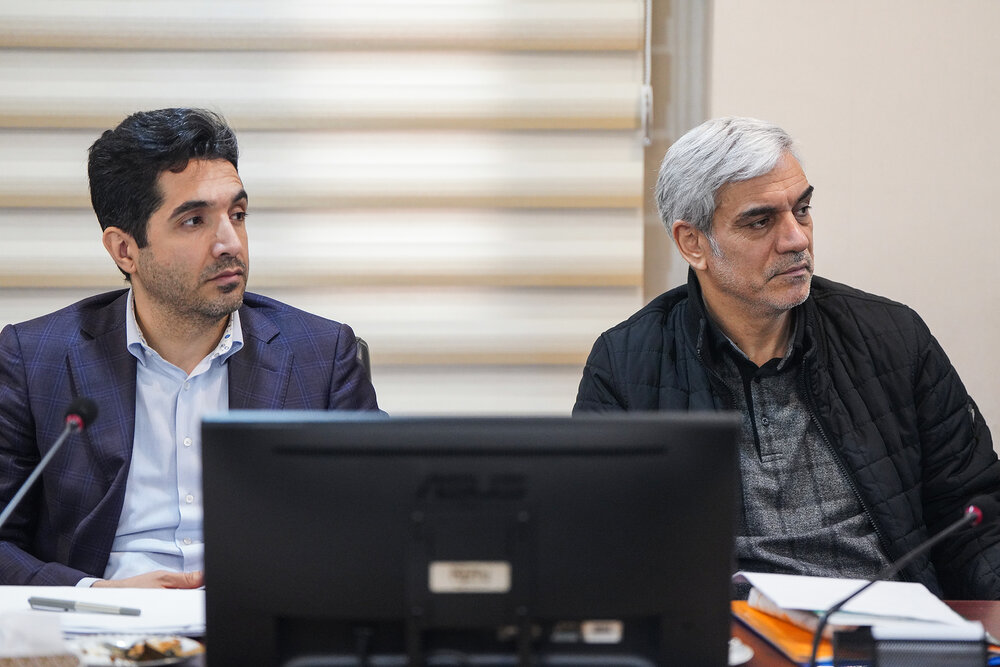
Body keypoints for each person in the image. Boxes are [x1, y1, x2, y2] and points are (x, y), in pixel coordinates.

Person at [574, 116, 1000, 599]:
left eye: (802, 210)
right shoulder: (626, 365)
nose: (797, 239)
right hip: (727, 629)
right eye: (760, 221)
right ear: (693, 243)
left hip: (881, 624)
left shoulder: (894, 339)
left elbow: (975, 519)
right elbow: (600, 546)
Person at [0, 108, 379, 587]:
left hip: (261, 612)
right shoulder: (34, 360)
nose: (229, 243)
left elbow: (378, 523)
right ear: (124, 250)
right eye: (194, 220)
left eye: (237, 215)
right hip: (105, 616)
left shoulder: (321, 356)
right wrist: (96, 594)